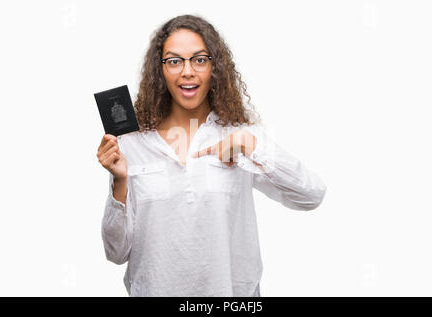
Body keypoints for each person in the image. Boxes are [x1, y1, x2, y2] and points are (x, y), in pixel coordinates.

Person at [96, 14, 326, 297]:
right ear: (160, 71)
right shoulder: (132, 143)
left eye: (200, 59)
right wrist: (119, 181)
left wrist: (248, 144)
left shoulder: (242, 135)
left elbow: (311, 195)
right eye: (174, 60)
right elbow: (116, 253)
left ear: (215, 68)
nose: (188, 71)